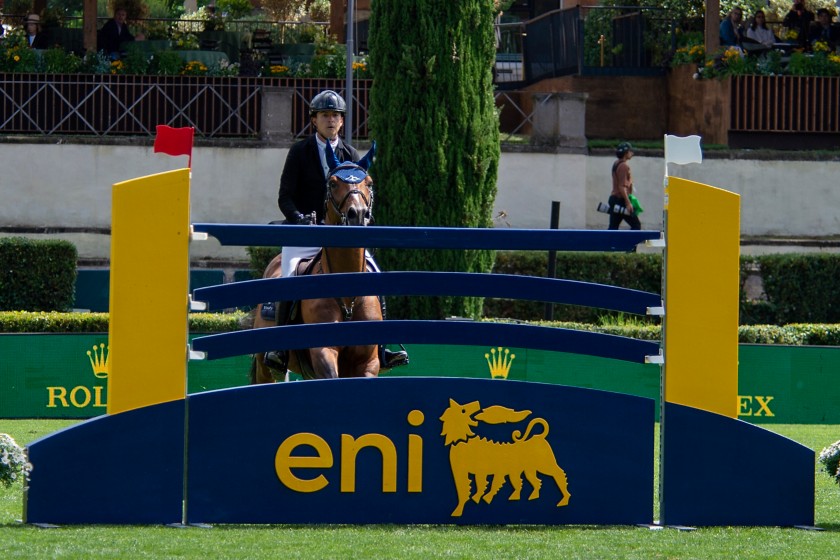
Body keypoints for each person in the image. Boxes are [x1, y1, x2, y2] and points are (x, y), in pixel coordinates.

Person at [274, 89, 408, 370]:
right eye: (325, 115)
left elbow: (359, 195)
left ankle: (383, 348)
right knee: (288, 276)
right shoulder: (300, 152)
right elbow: (285, 196)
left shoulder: (350, 154)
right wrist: (299, 218)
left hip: (343, 239)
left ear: (342, 122)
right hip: (306, 234)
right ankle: (280, 347)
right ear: (314, 120)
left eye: (335, 116)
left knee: (375, 276)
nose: (331, 120)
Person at [607, 142, 641, 231]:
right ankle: (628, 245)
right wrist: (628, 202)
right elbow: (622, 186)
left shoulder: (616, 163)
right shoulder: (624, 166)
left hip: (614, 199)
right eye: (630, 151)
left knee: (613, 228)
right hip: (620, 200)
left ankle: (611, 245)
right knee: (636, 226)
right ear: (626, 153)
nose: (632, 153)